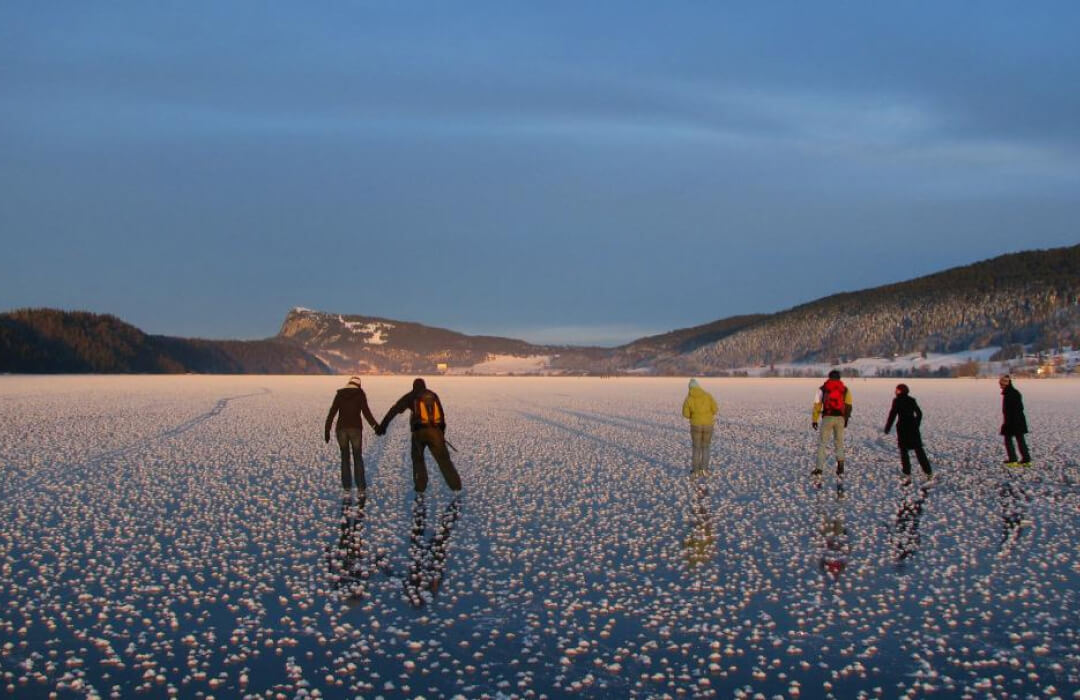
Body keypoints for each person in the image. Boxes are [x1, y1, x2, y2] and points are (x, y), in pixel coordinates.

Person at [376, 378, 462, 493]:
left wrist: (383, 426)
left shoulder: (412, 396)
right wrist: (441, 433)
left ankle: (420, 488)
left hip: (418, 432)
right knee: (444, 460)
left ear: (414, 386)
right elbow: (441, 416)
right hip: (435, 432)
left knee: (418, 460)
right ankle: (456, 486)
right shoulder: (433, 395)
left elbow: (395, 410)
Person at [325, 376, 380, 492]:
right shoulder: (360, 394)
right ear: (359, 385)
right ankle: (360, 486)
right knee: (357, 457)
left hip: (341, 430)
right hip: (355, 429)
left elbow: (332, 412)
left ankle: (347, 486)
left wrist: (327, 430)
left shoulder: (340, 394)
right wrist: (375, 426)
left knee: (344, 458)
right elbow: (366, 413)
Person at [883, 383, 933, 480]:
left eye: (897, 390)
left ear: (901, 391)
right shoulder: (912, 400)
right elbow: (919, 414)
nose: (895, 391)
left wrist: (887, 428)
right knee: (919, 450)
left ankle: (906, 472)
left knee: (904, 451)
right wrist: (916, 423)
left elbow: (892, 415)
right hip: (913, 428)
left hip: (902, 428)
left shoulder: (897, 401)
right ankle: (928, 472)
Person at [811, 369, 852, 477]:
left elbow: (817, 404)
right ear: (839, 377)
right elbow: (848, 405)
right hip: (840, 418)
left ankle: (819, 469)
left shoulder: (823, 388)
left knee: (822, 444)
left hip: (827, 417)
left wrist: (814, 419)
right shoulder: (845, 389)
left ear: (829, 377)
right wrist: (846, 419)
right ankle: (840, 466)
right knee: (839, 443)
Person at [681, 379, 718, 476]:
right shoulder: (708, 395)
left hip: (695, 425)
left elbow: (685, 414)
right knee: (706, 447)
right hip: (708, 425)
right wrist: (708, 416)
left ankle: (696, 471)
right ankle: (704, 470)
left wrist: (693, 416)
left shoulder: (689, 399)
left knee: (696, 448)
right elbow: (715, 409)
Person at [999, 374, 1032, 466]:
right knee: (1020, 440)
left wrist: (1008, 422)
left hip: (1013, 421)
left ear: (1005, 384)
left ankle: (1013, 459)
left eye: (1001, 384)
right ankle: (1026, 459)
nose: (1000, 386)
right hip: (1018, 421)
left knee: (1008, 440)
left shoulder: (1010, 394)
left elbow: (1013, 409)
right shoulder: (1013, 392)